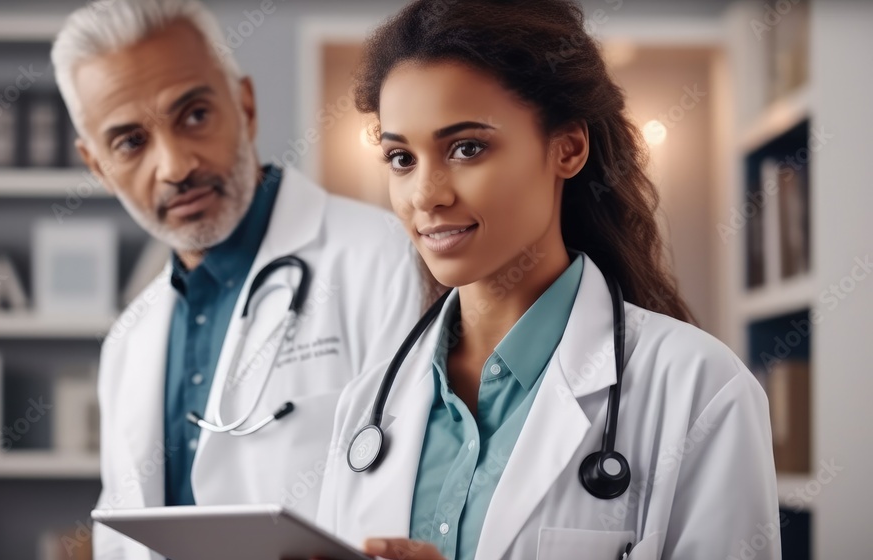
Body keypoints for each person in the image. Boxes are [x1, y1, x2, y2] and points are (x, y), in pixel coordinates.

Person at [315, 1, 780, 559]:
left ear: (568, 148)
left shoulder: (701, 390)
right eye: (400, 158)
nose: (426, 195)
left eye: (467, 148)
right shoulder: (366, 405)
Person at [51, 1, 423, 558]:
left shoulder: (383, 258)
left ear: (245, 106)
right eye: (130, 142)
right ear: (97, 166)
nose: (175, 166)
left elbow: (418, 494)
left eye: (195, 115)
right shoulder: (128, 340)